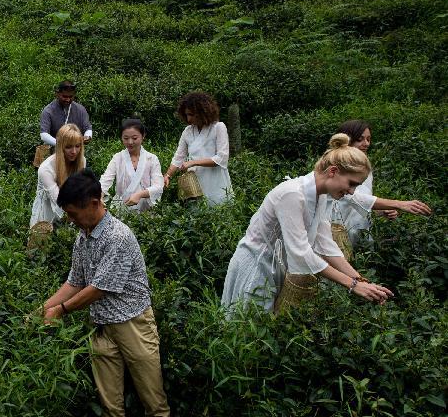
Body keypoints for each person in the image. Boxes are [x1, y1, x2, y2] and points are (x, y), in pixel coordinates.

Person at [43, 170, 176, 417]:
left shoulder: (118, 235)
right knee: (111, 404)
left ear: (93, 203)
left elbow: (100, 288)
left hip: (134, 326)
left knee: (153, 400)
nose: (71, 220)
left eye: (73, 213)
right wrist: (42, 308)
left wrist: (59, 312)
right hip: (102, 329)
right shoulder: (83, 235)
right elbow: (75, 280)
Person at [221, 134, 394, 314]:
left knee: (267, 326)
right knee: (247, 327)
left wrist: (361, 281)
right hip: (257, 266)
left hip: (277, 264)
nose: (351, 192)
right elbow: (300, 253)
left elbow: (325, 245)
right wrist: (352, 285)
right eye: (351, 184)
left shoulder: (319, 196)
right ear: (333, 171)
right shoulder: (293, 194)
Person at [331, 119, 432, 246]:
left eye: (368, 139)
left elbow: (360, 203)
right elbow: (351, 197)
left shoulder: (365, 167)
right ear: (346, 141)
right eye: (360, 139)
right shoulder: (335, 166)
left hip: (361, 238)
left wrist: (381, 211)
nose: (366, 143)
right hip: (336, 237)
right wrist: (397, 204)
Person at [163, 91, 232, 205]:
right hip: (194, 181)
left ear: (202, 112)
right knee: (196, 214)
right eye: (186, 115)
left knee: (219, 211)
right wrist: (168, 175)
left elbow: (222, 158)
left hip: (215, 179)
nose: (188, 119)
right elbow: (178, 157)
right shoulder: (188, 131)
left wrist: (193, 163)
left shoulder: (218, 127)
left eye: (191, 114)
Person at [99, 118, 163, 213]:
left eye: (134, 138)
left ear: (143, 136)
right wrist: (99, 196)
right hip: (122, 207)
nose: (130, 142)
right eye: (125, 138)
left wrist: (140, 194)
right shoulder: (117, 158)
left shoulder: (152, 159)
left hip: (146, 210)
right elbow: (105, 180)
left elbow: (158, 186)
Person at [29, 123, 85, 228]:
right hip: (46, 211)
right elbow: (58, 199)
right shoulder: (46, 169)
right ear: (60, 146)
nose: (74, 151)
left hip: (72, 210)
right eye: (68, 147)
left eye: (77, 146)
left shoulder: (82, 161)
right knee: (42, 241)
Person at [40, 80, 93, 146]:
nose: (68, 100)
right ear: (57, 94)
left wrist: (87, 136)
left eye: (70, 97)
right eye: (65, 96)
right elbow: (44, 135)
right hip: (54, 150)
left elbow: (88, 128)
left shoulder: (80, 109)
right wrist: (62, 145)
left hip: (75, 151)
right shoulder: (48, 111)